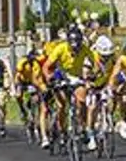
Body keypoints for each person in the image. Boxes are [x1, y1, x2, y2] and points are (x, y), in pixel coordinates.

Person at [38, 25, 93, 153]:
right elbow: (46, 66)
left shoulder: (85, 48)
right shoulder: (60, 48)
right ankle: (62, 130)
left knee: (82, 101)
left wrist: (94, 73)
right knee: (62, 105)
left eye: (77, 47)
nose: (75, 49)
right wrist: (49, 77)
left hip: (76, 77)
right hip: (61, 76)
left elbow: (95, 62)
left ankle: (83, 127)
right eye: (73, 47)